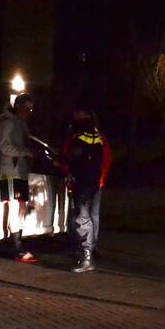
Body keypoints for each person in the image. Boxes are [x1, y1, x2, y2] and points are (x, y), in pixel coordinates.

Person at [58, 109, 107, 272]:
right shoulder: (95, 134)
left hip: (84, 182)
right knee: (85, 217)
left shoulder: (81, 132)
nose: (74, 117)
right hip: (90, 181)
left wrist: (61, 162)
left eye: (77, 114)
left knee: (82, 218)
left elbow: (75, 154)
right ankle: (86, 254)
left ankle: (87, 258)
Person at [0, 93, 36, 262]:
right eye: (26, 109)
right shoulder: (7, 123)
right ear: (18, 107)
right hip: (10, 170)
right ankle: (16, 245)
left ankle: (16, 241)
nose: (29, 112)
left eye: (31, 109)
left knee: (19, 206)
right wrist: (24, 152)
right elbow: (4, 146)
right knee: (14, 206)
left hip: (19, 170)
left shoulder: (21, 124)